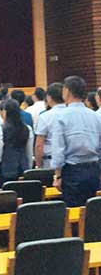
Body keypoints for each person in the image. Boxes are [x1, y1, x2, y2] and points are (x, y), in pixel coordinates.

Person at [52, 76, 101, 207]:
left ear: (67, 91)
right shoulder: (95, 116)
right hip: (94, 169)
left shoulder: (61, 117)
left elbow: (58, 149)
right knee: (93, 210)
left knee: (74, 210)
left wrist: (58, 176)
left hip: (72, 171)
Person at [0, 99, 32, 184]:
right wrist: (28, 169)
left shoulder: (0, 130)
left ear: (5, 112)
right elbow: (29, 153)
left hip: (5, 171)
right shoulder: (27, 128)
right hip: (23, 169)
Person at [34, 82, 65, 169]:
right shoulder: (73, 113)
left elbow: (39, 145)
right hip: (71, 160)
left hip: (50, 161)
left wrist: (39, 166)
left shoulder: (45, 116)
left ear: (49, 98)